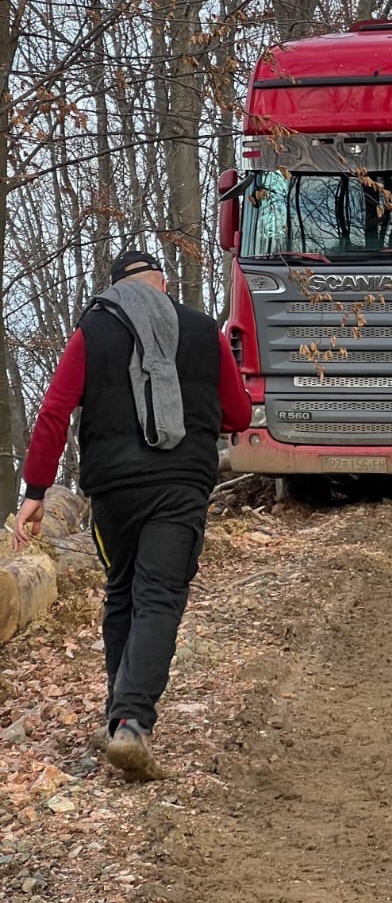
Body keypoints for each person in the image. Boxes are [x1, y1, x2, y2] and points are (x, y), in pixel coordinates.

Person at [13, 249, 251, 780]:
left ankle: (116, 714)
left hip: (114, 491)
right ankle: (132, 724)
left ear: (116, 289)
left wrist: (36, 490)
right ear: (161, 284)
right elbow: (237, 412)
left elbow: (54, 409)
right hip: (180, 486)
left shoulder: (94, 330)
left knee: (123, 590)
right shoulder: (201, 330)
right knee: (159, 597)